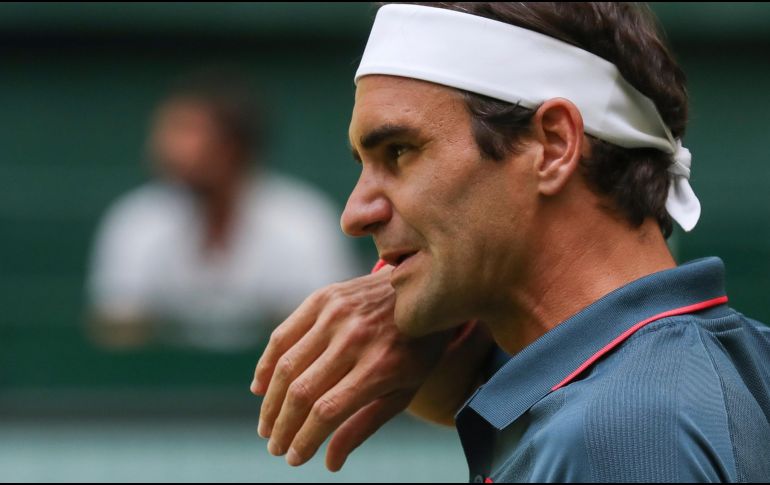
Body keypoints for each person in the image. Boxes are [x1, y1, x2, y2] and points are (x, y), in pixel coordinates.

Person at [251, 3, 770, 482]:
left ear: (552, 145)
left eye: (400, 152)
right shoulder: (712, 370)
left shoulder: (622, 433)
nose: (355, 214)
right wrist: (427, 323)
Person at [88, 68, 360, 351]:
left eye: (185, 130)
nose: (163, 146)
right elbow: (117, 326)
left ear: (232, 145)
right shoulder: (136, 220)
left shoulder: (304, 220)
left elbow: (324, 329)